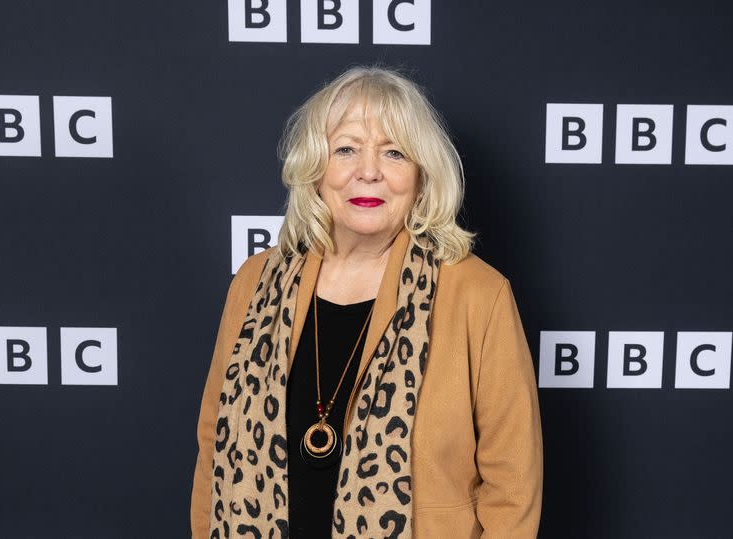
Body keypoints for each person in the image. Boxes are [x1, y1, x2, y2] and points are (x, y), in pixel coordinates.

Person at [190, 65, 543, 538]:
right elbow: (214, 446)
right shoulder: (255, 282)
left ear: (421, 174)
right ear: (316, 169)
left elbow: (513, 482)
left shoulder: (479, 295)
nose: (369, 171)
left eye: (394, 152)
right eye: (347, 149)